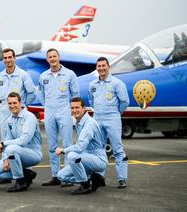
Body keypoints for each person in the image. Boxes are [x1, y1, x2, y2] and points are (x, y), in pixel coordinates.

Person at [39, 48, 80, 186]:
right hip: (50, 111)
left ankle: (68, 175)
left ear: (59, 57)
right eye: (49, 57)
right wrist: (47, 107)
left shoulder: (70, 74)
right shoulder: (44, 76)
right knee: (52, 145)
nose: (52, 59)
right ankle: (55, 175)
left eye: (54, 56)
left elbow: (75, 96)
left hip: (64, 112)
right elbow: (42, 95)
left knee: (68, 144)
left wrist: (73, 112)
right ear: (47, 59)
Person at [0, 92, 43, 192]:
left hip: (33, 154)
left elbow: (23, 140)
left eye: (15, 103)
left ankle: (20, 181)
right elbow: (8, 141)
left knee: (11, 148)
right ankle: (26, 174)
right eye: (10, 103)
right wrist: (5, 159)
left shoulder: (29, 117)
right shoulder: (9, 121)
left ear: (20, 103)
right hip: (15, 153)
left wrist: (3, 144)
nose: (12, 106)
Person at [88, 57, 129, 189]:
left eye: (103, 66)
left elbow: (124, 102)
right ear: (96, 68)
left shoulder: (117, 83)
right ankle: (99, 177)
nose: (101, 68)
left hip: (113, 118)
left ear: (108, 67)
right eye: (99, 66)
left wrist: (116, 113)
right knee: (97, 148)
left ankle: (122, 178)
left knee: (117, 148)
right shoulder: (92, 85)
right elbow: (91, 101)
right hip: (97, 118)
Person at [56, 97, 108, 195]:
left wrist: (63, 150)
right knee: (61, 175)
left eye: (77, 107)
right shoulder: (79, 122)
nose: (74, 110)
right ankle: (93, 179)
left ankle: (85, 185)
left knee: (72, 156)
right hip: (86, 158)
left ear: (84, 109)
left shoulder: (89, 123)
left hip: (98, 159)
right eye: (72, 108)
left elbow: (80, 147)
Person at [0, 48, 36, 140]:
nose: (7, 60)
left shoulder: (23, 75)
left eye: (10, 57)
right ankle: (6, 155)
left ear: (14, 58)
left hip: (19, 112)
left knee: (20, 138)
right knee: (5, 139)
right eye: (5, 58)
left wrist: (23, 105)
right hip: (5, 112)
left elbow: (32, 93)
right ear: (3, 60)